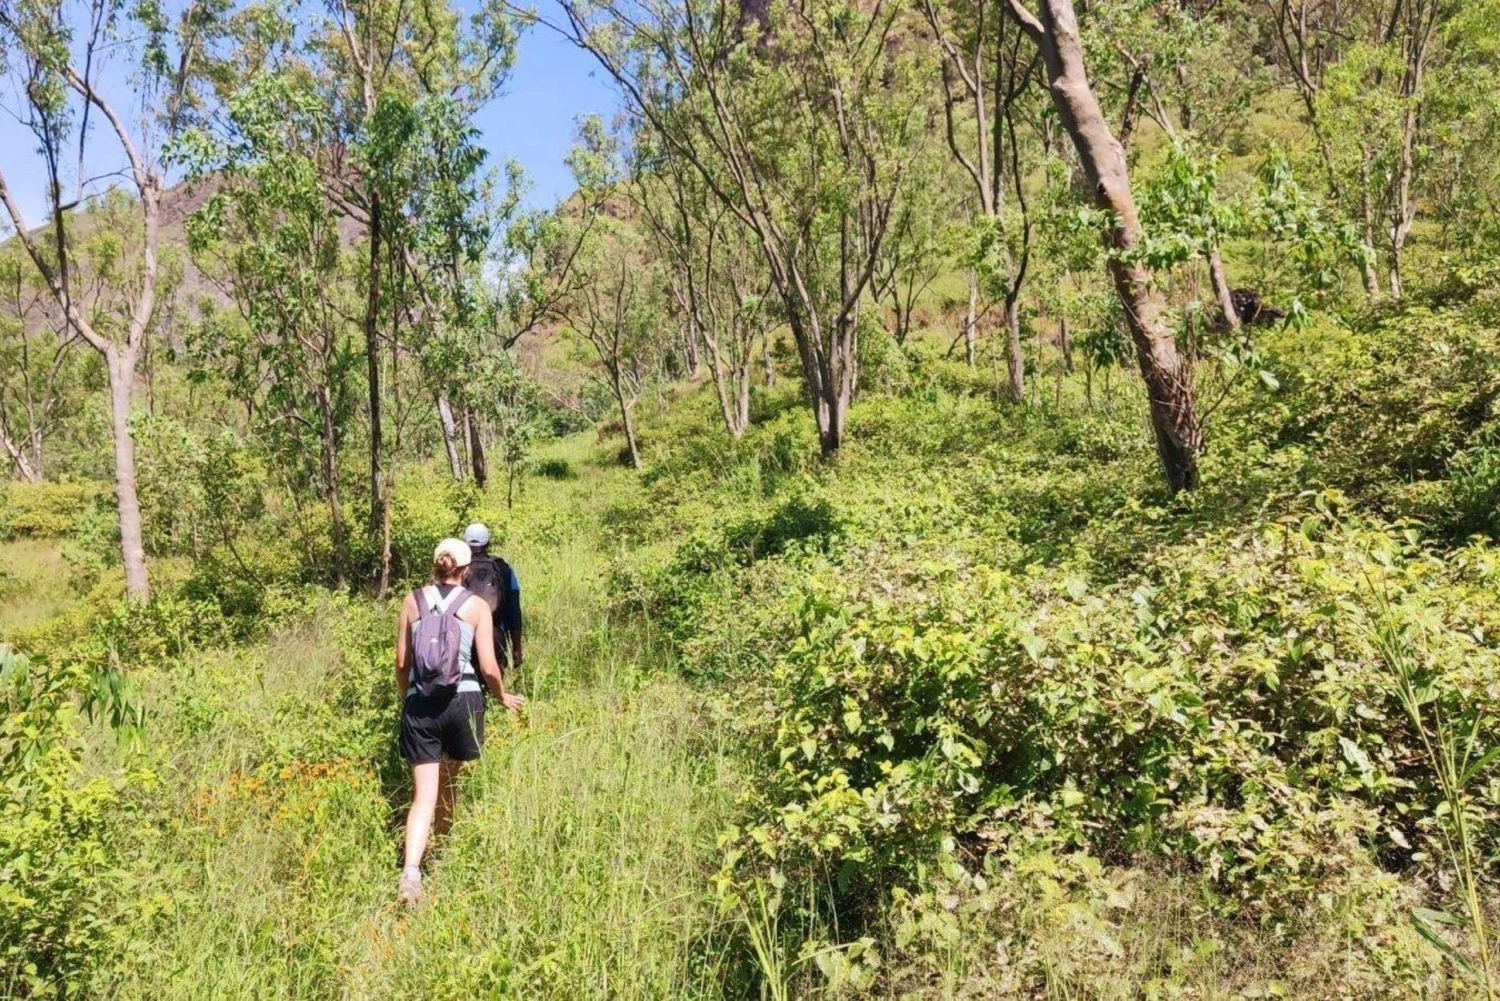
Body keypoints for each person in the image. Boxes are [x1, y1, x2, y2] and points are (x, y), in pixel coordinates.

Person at [395, 537, 525, 905]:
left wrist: (408, 698)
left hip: (421, 706)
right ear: (466, 570)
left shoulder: (411, 601)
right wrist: (501, 696)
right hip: (462, 702)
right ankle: (443, 853)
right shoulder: (477, 606)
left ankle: (411, 874)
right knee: (450, 786)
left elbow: (402, 665)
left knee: (423, 796)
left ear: (436, 566)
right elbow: (488, 667)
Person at [462, 522, 524, 676]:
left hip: (463, 637)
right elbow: (514, 609)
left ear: (465, 542)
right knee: (493, 688)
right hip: (495, 635)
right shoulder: (503, 568)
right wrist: (517, 647)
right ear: (488, 543)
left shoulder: (457, 568)